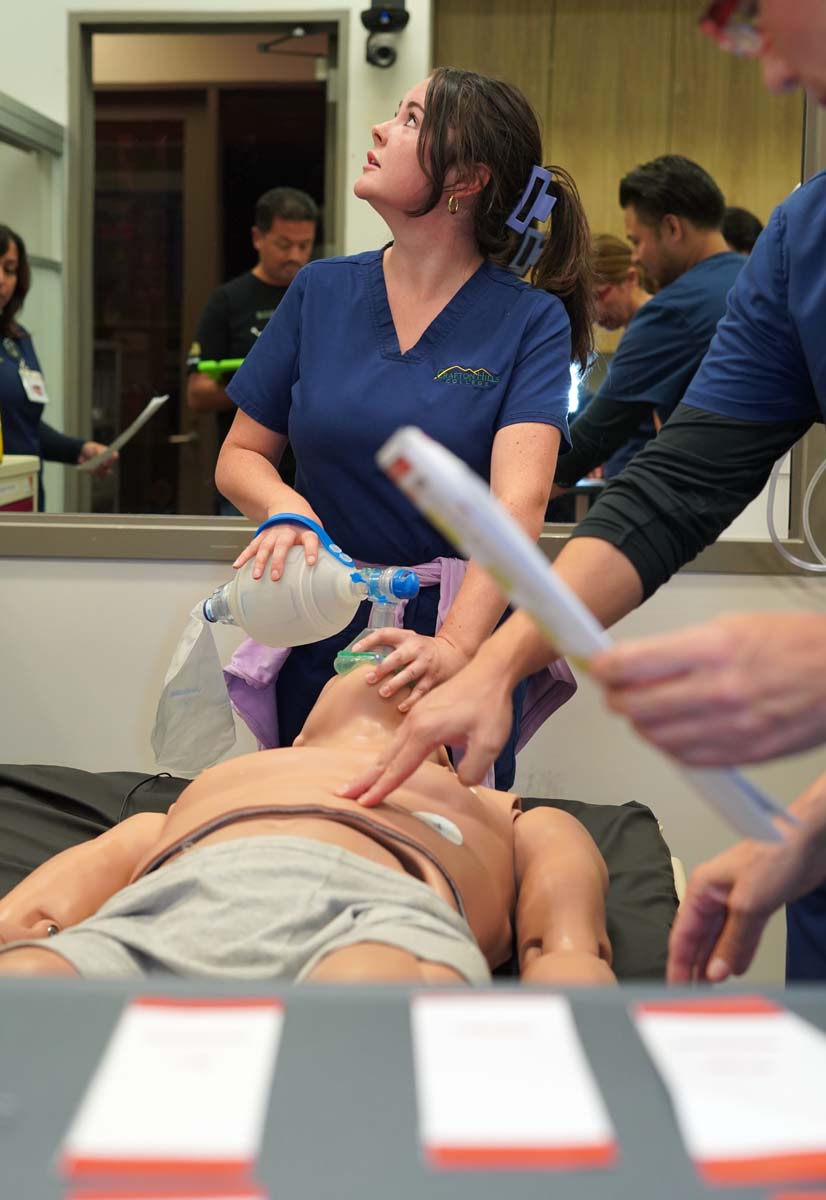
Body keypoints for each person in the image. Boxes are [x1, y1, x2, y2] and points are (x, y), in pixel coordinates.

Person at [341, 1, 826, 982]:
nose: (767, 74)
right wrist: (492, 667)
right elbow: (672, 488)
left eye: (747, 18)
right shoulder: (801, 239)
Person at [215, 67, 594, 790]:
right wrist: (284, 506)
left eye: (413, 119)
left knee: (439, 842)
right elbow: (239, 456)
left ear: (467, 179)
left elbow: (518, 507)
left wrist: (455, 645)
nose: (381, 129)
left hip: (454, 633)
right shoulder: (320, 291)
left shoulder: (527, 321)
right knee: (306, 822)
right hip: (320, 621)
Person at [0, 664, 614, 987]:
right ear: (295, 738)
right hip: (178, 904)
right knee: (33, 982)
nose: (385, 661)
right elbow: (96, 870)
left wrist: (568, 968)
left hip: (381, 910)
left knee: (368, 988)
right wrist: (27, 935)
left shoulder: (486, 802)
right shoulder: (227, 781)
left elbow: (563, 928)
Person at [549, 156, 744, 495]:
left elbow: (594, 437)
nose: (635, 255)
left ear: (672, 228)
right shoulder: (756, 278)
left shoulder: (673, 312)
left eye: (637, 240)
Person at [186, 187, 318, 504]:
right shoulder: (228, 301)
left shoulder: (321, 294)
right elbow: (198, 392)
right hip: (250, 476)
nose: (295, 256)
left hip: (313, 479)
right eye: (284, 245)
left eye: (305, 245)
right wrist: (266, 389)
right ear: (258, 238)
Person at [0, 225, 113, 508]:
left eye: (10, 269)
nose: (2, 280)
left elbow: (22, 426)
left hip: (23, 499)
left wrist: (77, 449)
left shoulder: (18, 339)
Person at [568, 233, 657, 484]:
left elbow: (603, 424)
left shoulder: (652, 333)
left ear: (630, 278)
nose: (594, 312)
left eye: (598, 296)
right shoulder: (637, 331)